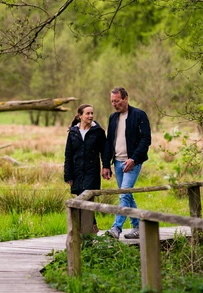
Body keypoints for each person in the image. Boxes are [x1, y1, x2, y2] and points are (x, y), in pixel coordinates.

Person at [102, 87, 151, 239]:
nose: (114, 104)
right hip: (117, 162)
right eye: (112, 102)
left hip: (132, 162)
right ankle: (138, 227)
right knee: (126, 194)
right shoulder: (112, 118)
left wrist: (134, 159)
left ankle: (116, 228)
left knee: (124, 193)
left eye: (117, 101)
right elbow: (109, 141)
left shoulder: (139, 115)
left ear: (125, 98)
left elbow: (146, 139)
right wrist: (105, 164)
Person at [64, 103, 107, 233]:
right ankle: (90, 228)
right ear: (80, 116)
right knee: (80, 201)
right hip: (76, 173)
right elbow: (68, 155)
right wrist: (68, 176)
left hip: (92, 172)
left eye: (92, 113)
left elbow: (104, 151)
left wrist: (106, 166)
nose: (91, 116)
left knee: (87, 199)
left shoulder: (98, 132)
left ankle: (87, 232)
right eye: (87, 113)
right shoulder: (73, 132)